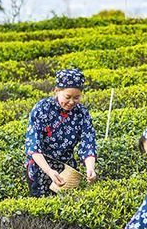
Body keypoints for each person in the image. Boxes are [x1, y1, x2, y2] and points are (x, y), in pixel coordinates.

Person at [25, 68, 97, 197]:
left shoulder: (81, 113)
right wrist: (50, 171)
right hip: (41, 167)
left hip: (67, 169)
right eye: (67, 97)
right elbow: (33, 146)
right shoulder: (42, 109)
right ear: (57, 91)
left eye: (77, 97)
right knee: (41, 207)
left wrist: (90, 168)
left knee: (64, 205)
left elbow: (88, 142)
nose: (71, 102)